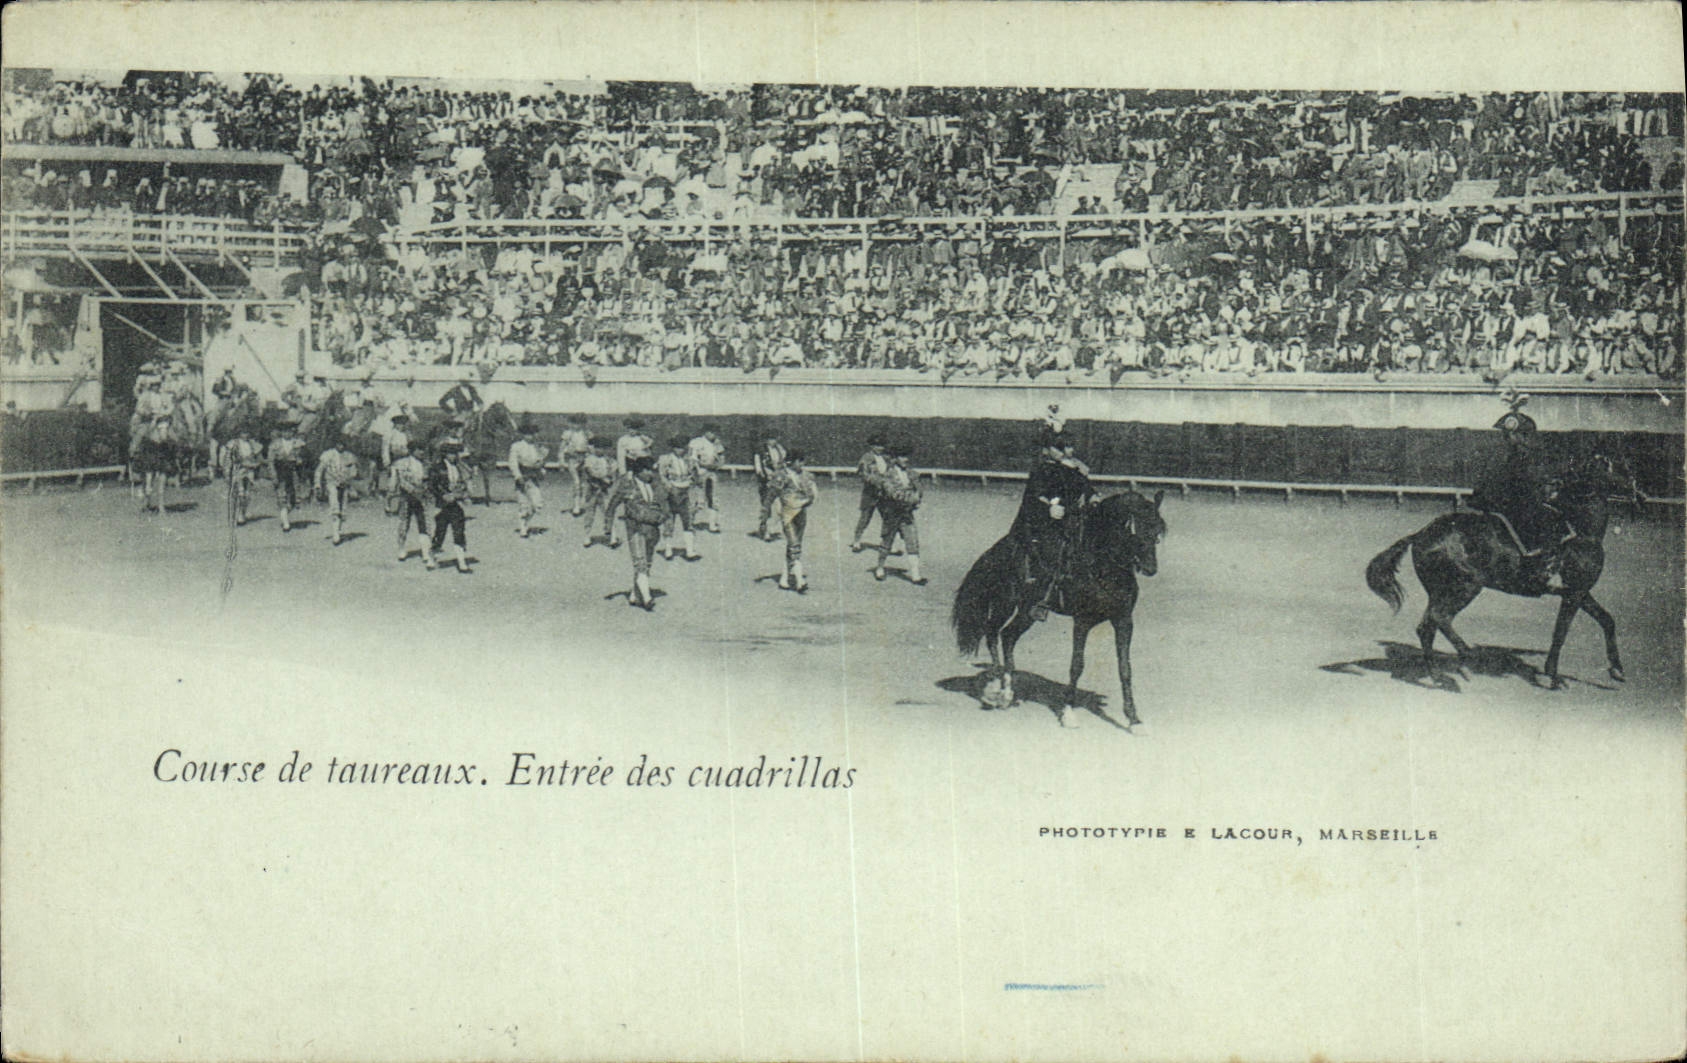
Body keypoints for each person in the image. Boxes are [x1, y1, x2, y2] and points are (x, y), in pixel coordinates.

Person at [1011, 423, 1096, 620]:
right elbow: (1035, 496)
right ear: (1046, 450)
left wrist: (1093, 495)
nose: (1066, 451)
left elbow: (1082, 486)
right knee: (1054, 551)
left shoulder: (1071, 468)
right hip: (1039, 520)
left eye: (1067, 447)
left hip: (1066, 518)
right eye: (1060, 448)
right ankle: (1044, 597)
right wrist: (1049, 506)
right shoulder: (1041, 470)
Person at [1469, 407, 1563, 557]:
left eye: (1523, 435)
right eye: (1521, 435)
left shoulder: (1503, 451)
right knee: (1540, 513)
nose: (1523, 439)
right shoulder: (1514, 453)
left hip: (1490, 499)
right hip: (1501, 502)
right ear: (1514, 435)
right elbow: (1520, 481)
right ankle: (1535, 553)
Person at [604, 454, 675, 609]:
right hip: (635, 529)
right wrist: (608, 530)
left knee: (646, 564)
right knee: (640, 563)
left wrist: (666, 522)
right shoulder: (627, 486)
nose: (651, 473)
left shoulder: (656, 485)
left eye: (651, 470)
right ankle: (647, 598)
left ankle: (635, 595)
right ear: (639, 471)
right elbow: (611, 506)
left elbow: (666, 506)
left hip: (653, 529)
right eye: (648, 470)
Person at [872, 442, 926, 585]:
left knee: (912, 542)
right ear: (895, 458)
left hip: (907, 514)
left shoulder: (912, 474)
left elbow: (920, 490)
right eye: (902, 456)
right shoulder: (888, 475)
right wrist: (913, 498)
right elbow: (893, 494)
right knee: (887, 541)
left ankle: (916, 575)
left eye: (907, 456)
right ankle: (880, 568)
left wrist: (916, 497)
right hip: (892, 514)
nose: (906, 459)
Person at [774, 449, 819, 592]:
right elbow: (773, 495)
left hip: (801, 514)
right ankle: (800, 581)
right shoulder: (781, 475)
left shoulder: (806, 476)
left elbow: (814, 494)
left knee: (794, 545)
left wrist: (809, 500)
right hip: (787, 514)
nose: (802, 464)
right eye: (799, 461)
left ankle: (784, 578)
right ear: (791, 462)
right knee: (794, 546)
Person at [426, 440, 473, 573]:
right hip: (442, 505)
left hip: (455, 504)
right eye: (450, 454)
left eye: (455, 454)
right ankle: (432, 558)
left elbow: (463, 483)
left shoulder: (459, 467)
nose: (453, 456)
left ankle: (462, 562)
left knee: (459, 531)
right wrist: (443, 496)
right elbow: (432, 486)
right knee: (440, 533)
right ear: (444, 454)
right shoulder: (437, 467)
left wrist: (463, 495)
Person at [656, 435, 700, 560]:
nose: (680, 450)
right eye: (677, 447)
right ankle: (668, 549)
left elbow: (694, 475)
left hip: (686, 491)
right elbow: (662, 476)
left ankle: (690, 551)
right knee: (669, 521)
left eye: (682, 447)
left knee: (689, 520)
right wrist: (669, 487)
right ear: (673, 448)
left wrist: (693, 480)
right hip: (671, 491)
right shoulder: (665, 459)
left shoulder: (689, 460)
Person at [507, 419, 548, 538]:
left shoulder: (538, 447)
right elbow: (513, 463)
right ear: (523, 435)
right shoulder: (516, 446)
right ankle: (523, 527)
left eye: (532, 434)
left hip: (534, 477)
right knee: (523, 503)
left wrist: (541, 468)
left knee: (537, 504)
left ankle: (525, 521)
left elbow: (541, 462)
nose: (530, 436)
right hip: (523, 476)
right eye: (527, 434)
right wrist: (518, 476)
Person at [390, 445, 431, 564]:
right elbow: (401, 480)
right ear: (413, 451)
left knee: (424, 523)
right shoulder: (402, 463)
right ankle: (402, 548)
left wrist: (424, 490)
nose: (422, 452)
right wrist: (413, 490)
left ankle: (425, 551)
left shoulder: (425, 464)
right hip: (406, 496)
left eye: (423, 450)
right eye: (419, 449)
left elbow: (427, 480)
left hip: (421, 497)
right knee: (404, 523)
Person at [313, 439, 359, 546]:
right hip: (331, 483)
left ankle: (337, 530)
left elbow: (354, 472)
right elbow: (319, 470)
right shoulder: (328, 455)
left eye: (343, 444)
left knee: (343, 508)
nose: (341, 446)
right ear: (335, 444)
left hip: (344, 484)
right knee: (335, 506)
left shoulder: (349, 456)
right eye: (338, 443)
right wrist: (317, 484)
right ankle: (335, 534)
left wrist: (349, 477)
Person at [850, 433, 889, 552]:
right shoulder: (866, 458)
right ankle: (857, 541)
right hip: (870, 492)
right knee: (865, 517)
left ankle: (887, 543)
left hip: (885, 493)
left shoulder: (886, 458)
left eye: (881, 445)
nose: (880, 448)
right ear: (871, 446)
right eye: (877, 445)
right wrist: (876, 481)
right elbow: (863, 474)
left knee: (887, 518)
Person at [268, 413, 307, 533]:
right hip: (280, 472)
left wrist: (301, 461)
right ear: (281, 432)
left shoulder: (299, 444)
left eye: (290, 431)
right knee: (282, 496)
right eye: (285, 431)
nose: (287, 434)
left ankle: (285, 512)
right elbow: (270, 461)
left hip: (294, 473)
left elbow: (305, 458)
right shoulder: (275, 444)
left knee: (294, 498)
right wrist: (273, 475)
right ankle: (285, 522)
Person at [221, 424, 264, 526]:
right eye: (243, 433)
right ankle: (237, 515)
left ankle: (242, 513)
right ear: (239, 433)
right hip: (237, 470)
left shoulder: (253, 444)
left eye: (247, 433)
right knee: (240, 493)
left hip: (250, 471)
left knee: (247, 494)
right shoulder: (233, 444)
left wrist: (257, 464)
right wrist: (227, 472)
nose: (245, 435)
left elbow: (260, 458)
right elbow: (228, 459)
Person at [580, 435, 618, 547]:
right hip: (591, 489)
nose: (600, 450)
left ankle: (613, 536)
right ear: (594, 448)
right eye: (598, 447)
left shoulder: (610, 461)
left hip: (604, 490)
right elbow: (590, 473)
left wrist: (609, 480)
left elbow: (613, 475)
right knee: (590, 513)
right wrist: (603, 478)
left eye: (603, 448)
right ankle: (587, 535)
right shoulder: (589, 459)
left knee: (608, 512)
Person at [687, 425, 725, 533]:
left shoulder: (717, 443)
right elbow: (692, 459)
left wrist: (717, 466)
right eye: (712, 432)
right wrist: (695, 473)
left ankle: (712, 525)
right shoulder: (697, 442)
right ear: (706, 432)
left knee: (713, 498)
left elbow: (721, 458)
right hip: (700, 472)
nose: (714, 435)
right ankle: (690, 522)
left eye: (715, 432)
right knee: (699, 500)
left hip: (712, 472)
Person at [752, 431, 788, 540]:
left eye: (775, 438)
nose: (773, 441)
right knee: (766, 506)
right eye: (771, 439)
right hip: (766, 481)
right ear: (766, 440)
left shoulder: (780, 449)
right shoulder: (760, 451)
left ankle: (772, 528)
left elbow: (784, 463)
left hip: (778, 480)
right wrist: (765, 477)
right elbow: (758, 468)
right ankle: (765, 530)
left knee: (780, 507)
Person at [558, 413, 591, 516]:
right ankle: (576, 506)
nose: (577, 426)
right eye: (574, 423)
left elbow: (591, 446)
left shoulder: (587, 433)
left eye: (579, 423)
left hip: (584, 458)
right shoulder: (568, 434)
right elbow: (561, 448)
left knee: (583, 483)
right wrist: (561, 461)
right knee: (576, 482)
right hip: (573, 459)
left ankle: (581, 504)